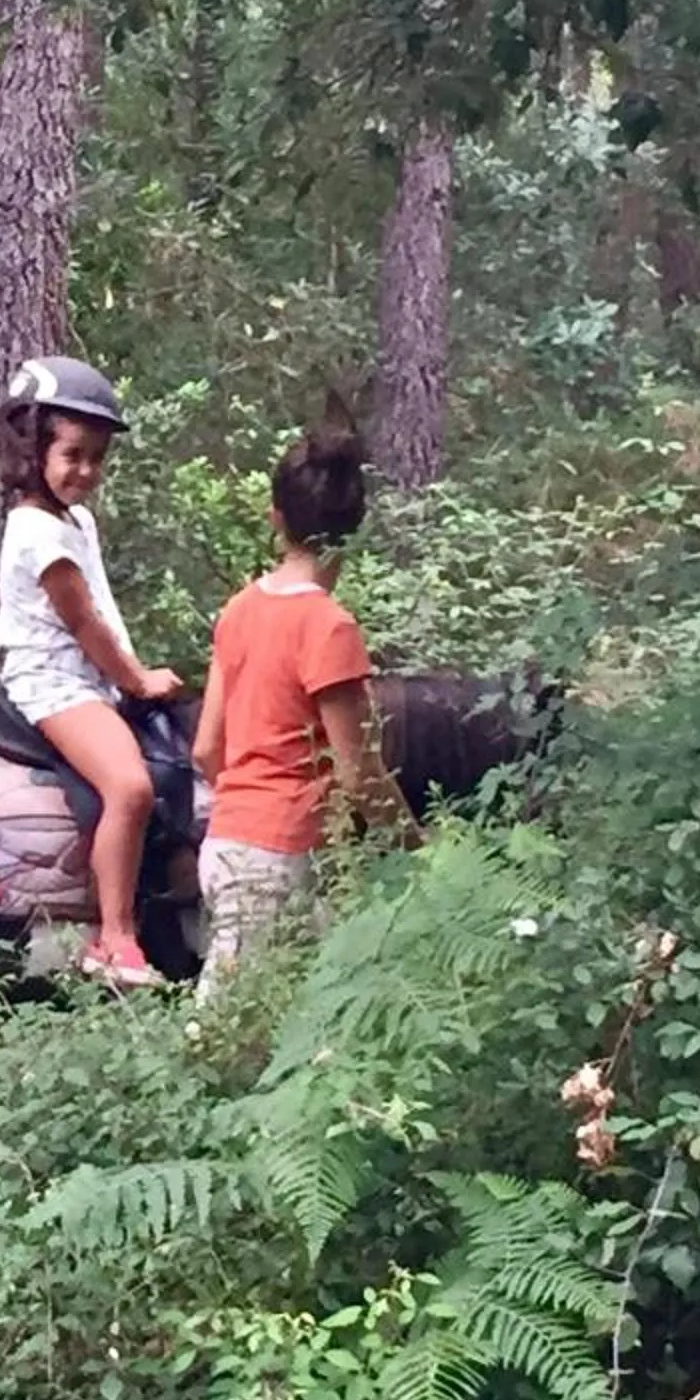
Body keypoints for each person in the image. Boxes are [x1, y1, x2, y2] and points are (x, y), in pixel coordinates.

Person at [189, 404, 416, 997]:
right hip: (281, 853)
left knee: (311, 1008)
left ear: (275, 518)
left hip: (225, 844)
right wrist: (419, 850)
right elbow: (360, 771)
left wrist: (243, 810)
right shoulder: (329, 627)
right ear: (353, 530)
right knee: (220, 1029)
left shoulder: (239, 610)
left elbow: (207, 747)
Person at [0, 355, 183, 989]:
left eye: (97, 457)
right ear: (33, 448)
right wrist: (136, 680)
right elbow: (84, 624)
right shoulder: (33, 532)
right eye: (73, 454)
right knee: (129, 788)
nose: (86, 471)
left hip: (87, 681)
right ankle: (115, 936)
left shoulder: (77, 521)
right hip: (54, 685)